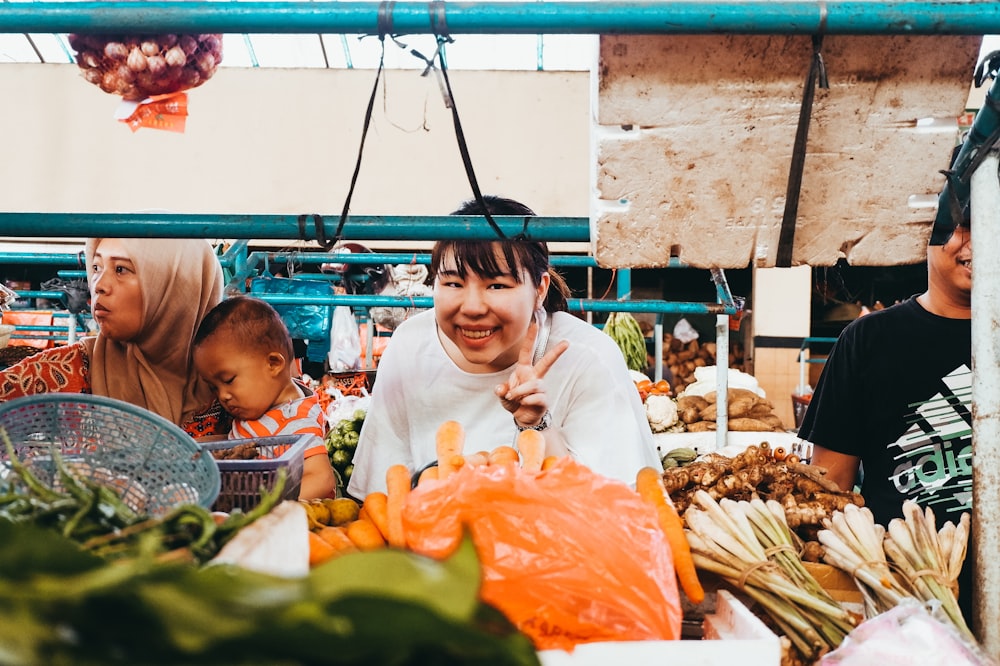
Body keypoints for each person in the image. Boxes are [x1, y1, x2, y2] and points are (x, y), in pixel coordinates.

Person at [347, 195, 661, 498]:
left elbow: (606, 505)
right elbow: (384, 491)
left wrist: (537, 424)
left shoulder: (588, 357)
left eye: (497, 285)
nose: (472, 308)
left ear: (539, 288)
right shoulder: (410, 345)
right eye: (453, 283)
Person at [797, 203, 972, 620]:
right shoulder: (868, 340)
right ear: (924, 235)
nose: (975, 241)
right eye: (960, 226)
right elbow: (831, 487)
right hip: (902, 596)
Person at [0, 238, 230, 438]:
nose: (99, 285)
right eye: (97, 267)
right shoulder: (71, 368)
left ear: (176, 283)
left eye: (121, 269)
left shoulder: (230, 382)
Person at [192, 296, 338, 501]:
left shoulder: (296, 421)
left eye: (229, 380)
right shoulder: (261, 407)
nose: (223, 395)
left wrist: (266, 510)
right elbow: (240, 442)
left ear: (273, 364)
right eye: (214, 387)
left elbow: (322, 479)